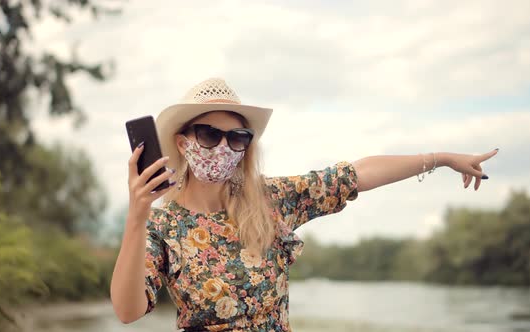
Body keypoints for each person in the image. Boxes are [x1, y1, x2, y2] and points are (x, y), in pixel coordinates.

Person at [110, 78, 499, 331]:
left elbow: (355, 173)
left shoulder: (269, 201)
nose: (225, 147)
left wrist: (441, 157)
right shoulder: (162, 225)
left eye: (238, 137)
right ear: (182, 142)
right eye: (210, 134)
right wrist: (137, 215)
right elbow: (128, 310)